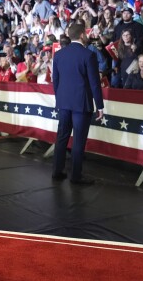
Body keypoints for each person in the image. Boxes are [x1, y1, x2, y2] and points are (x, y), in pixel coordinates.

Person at [52, 23, 104, 185]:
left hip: (64, 102)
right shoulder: (88, 55)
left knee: (62, 137)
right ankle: (75, 176)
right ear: (82, 35)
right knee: (78, 140)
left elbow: (56, 81)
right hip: (81, 104)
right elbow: (95, 83)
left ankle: (57, 171)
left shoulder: (59, 55)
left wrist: (59, 98)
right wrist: (100, 105)